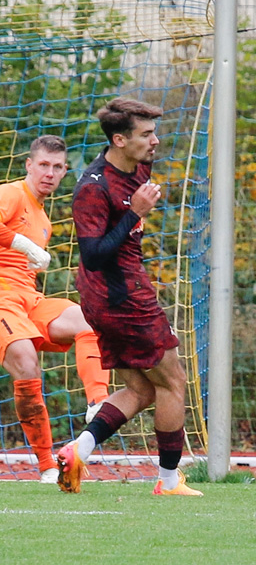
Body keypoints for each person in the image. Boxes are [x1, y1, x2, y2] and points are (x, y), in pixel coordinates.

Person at [56, 98, 201, 495]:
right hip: (122, 299)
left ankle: (78, 450)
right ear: (119, 140)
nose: (155, 141)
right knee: (174, 382)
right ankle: (168, 482)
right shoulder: (93, 188)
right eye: (146, 134)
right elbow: (93, 255)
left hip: (113, 297)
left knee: (142, 390)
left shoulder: (138, 166)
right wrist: (135, 213)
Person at [0, 135, 110, 483]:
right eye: (43, 165)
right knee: (27, 362)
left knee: (90, 320)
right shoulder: (11, 193)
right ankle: (46, 465)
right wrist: (24, 244)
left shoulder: (44, 220)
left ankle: (98, 403)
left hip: (25, 300)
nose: (49, 173)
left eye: (57, 167)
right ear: (29, 166)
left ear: (64, 172)